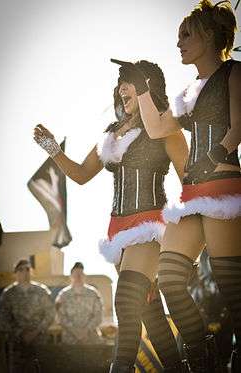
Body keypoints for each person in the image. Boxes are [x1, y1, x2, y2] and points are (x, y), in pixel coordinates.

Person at [33, 59, 188, 372]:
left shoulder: (163, 127)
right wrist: (52, 148)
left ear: (147, 85)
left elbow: (190, 180)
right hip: (117, 229)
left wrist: (187, 241)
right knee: (151, 314)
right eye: (120, 82)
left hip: (149, 226)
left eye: (128, 79)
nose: (122, 87)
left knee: (125, 302)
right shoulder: (112, 135)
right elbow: (79, 173)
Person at [111, 1, 241, 372]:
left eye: (186, 35)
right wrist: (144, 87)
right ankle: (200, 361)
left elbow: (240, 123)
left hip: (224, 187)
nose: (180, 42)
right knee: (169, 279)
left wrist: (215, 152)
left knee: (232, 288)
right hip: (193, 195)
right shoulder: (190, 90)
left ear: (210, 36)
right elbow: (157, 127)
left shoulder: (234, 73)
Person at [0, 258, 55, 373]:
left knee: (41, 368)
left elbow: (50, 313)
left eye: (27, 269)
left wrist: (36, 332)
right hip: (17, 342)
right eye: (20, 270)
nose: (25, 272)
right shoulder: (8, 294)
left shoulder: (41, 291)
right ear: (15, 273)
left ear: (31, 272)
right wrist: (21, 333)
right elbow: (4, 317)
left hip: (39, 340)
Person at [55, 261, 103, 345]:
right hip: (70, 340)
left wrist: (86, 330)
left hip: (91, 339)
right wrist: (74, 331)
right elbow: (60, 316)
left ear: (84, 276)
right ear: (71, 276)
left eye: (81, 273)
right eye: (76, 274)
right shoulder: (63, 295)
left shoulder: (93, 293)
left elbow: (99, 315)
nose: (78, 276)